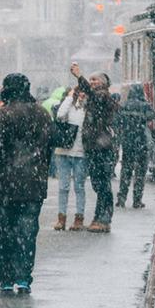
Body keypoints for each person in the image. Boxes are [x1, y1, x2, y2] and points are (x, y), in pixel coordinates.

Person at [0, 74, 54, 293]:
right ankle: (24, 277)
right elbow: (48, 147)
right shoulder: (43, 115)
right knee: (27, 233)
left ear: (6, 90)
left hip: (4, 184)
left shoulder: (3, 115)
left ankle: (6, 279)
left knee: (4, 232)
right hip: (33, 185)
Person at [70, 62, 118, 233]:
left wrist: (79, 76)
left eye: (95, 80)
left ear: (104, 83)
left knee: (103, 184)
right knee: (98, 184)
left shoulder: (103, 96)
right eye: (90, 79)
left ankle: (104, 218)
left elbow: (91, 93)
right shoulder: (93, 98)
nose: (92, 82)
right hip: (94, 147)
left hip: (102, 147)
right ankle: (99, 217)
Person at [53, 86, 88, 230]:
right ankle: (61, 218)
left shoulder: (88, 109)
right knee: (63, 187)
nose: (80, 95)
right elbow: (60, 116)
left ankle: (79, 218)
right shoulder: (67, 105)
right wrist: (69, 97)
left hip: (80, 153)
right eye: (78, 92)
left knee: (79, 187)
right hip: (63, 151)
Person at [117, 84, 155, 209]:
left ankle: (121, 199)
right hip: (141, 142)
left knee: (126, 171)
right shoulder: (144, 105)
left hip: (128, 141)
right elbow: (152, 116)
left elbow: (119, 120)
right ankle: (137, 200)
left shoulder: (124, 105)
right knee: (140, 172)